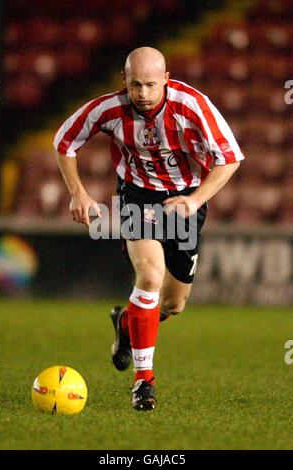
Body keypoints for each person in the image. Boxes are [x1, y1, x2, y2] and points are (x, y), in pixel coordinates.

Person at [54, 47, 244, 411]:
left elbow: (230, 158)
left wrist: (196, 199)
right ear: (124, 80)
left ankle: (128, 324)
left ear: (167, 80)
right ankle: (144, 381)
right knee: (150, 276)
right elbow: (64, 141)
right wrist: (77, 192)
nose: (142, 94)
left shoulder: (194, 106)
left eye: (151, 85)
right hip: (136, 197)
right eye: (136, 84)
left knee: (173, 303)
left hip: (185, 201)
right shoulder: (107, 108)